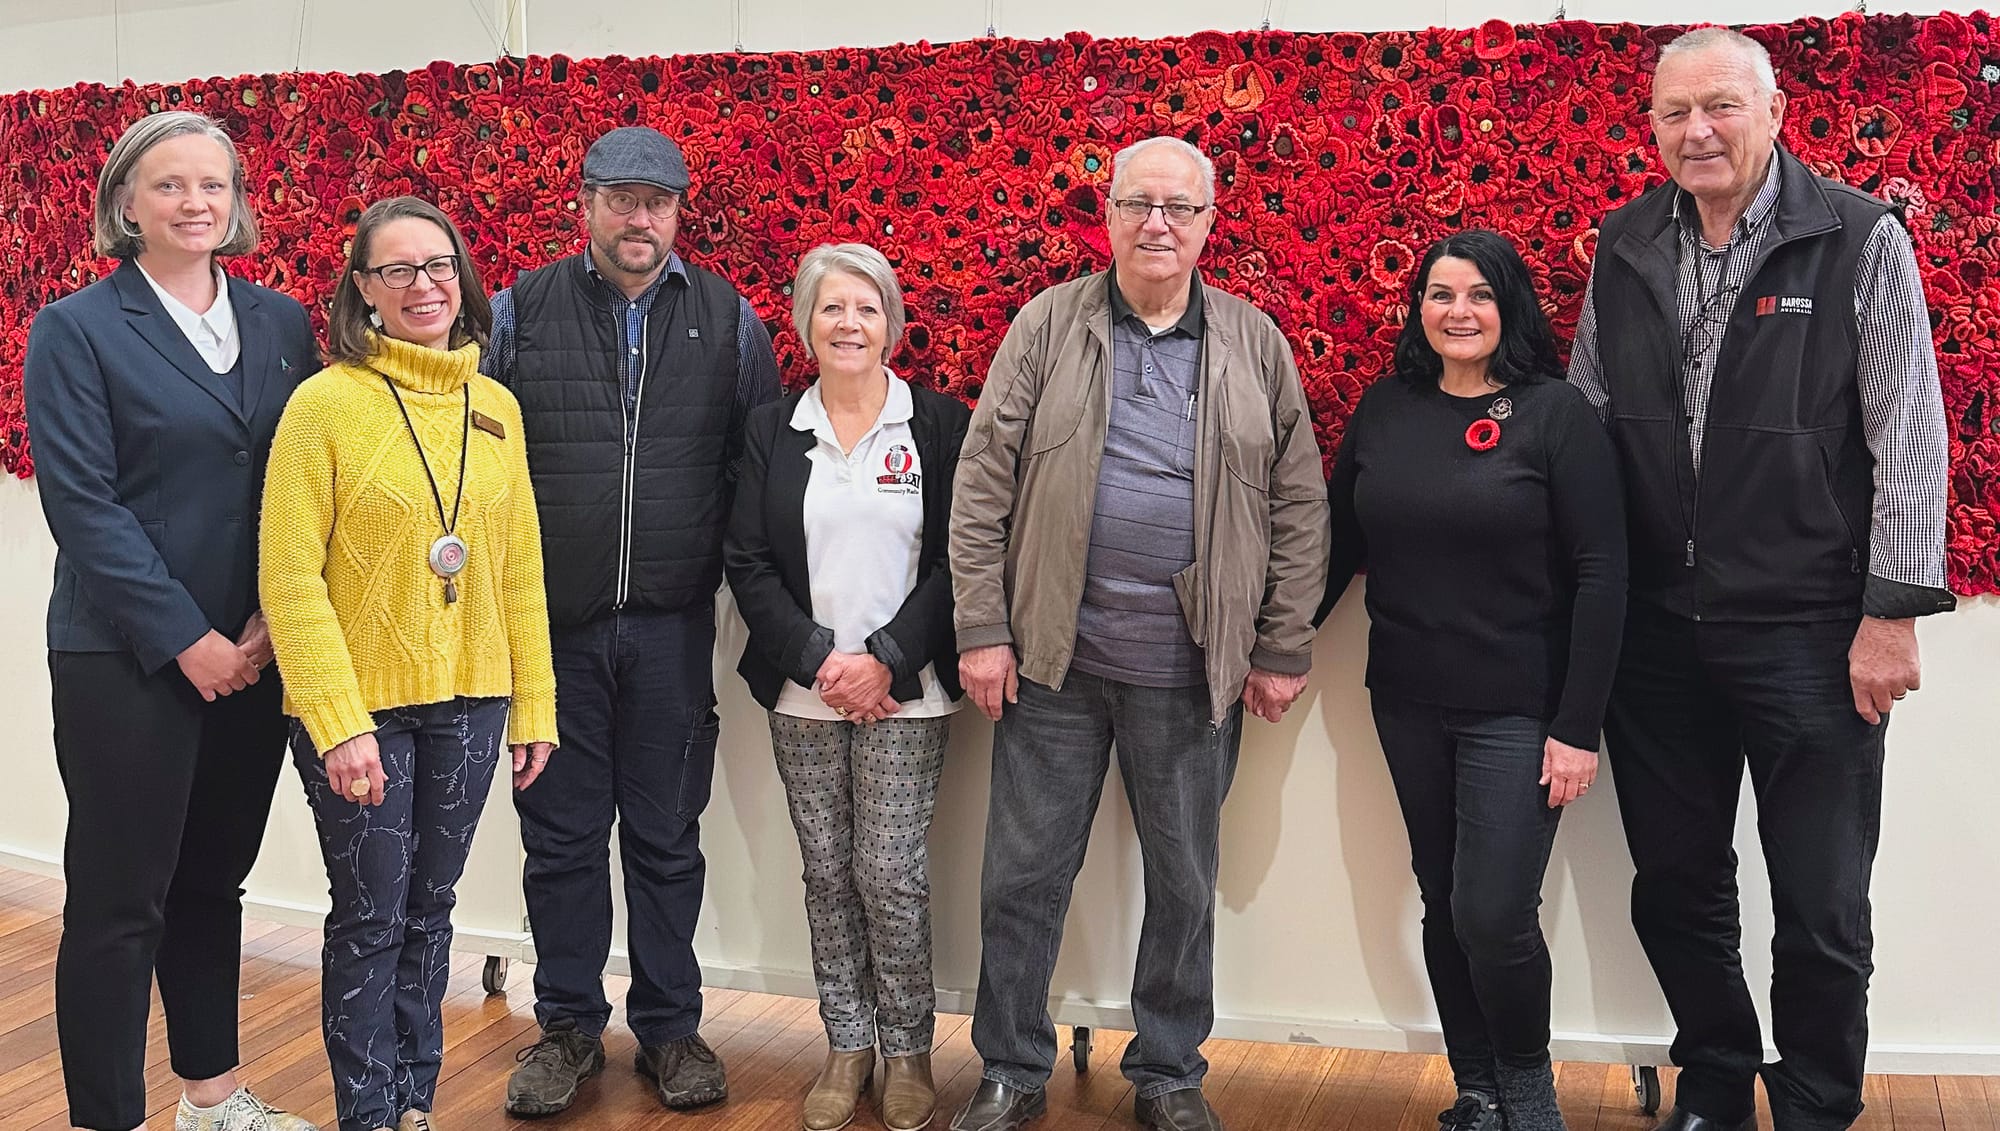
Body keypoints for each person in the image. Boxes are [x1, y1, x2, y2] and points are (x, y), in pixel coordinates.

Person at [1568, 27, 1956, 1131]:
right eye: (1672, 114)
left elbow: (1908, 437)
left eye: (1720, 108)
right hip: (1654, 634)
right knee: (1676, 888)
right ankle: (1715, 1082)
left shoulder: (1854, 236)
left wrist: (1887, 614)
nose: (1696, 132)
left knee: (1821, 906)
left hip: (1809, 631)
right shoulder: (1627, 242)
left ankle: (1818, 1103)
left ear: (1774, 111)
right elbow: (1590, 414)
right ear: (1649, 129)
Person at [946, 136, 1328, 1131]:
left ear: (1208, 223)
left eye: (1179, 208)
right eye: (1137, 204)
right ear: (1107, 216)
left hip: (1194, 672)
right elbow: (982, 482)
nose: (1156, 224)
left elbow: (1297, 501)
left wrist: (1282, 643)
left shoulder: (1251, 342)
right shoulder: (1045, 326)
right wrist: (982, 627)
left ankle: (1167, 1074)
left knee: (1184, 883)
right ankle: (1011, 1069)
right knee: (1021, 877)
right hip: (1049, 664)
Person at [21, 110, 320, 1131]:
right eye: (170, 186)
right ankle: (109, 1118)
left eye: (213, 185)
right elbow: (83, 504)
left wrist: (272, 624)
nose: (196, 203)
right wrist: (187, 638)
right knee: (117, 905)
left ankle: (211, 1095)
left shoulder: (281, 322)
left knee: (211, 885)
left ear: (237, 201)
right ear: (124, 204)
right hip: (129, 657)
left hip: (256, 650)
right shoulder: (77, 328)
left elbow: (301, 480)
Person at [487, 125, 781, 1118]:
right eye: (619, 198)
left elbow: (754, 472)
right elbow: (476, 462)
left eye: (656, 202)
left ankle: (668, 1029)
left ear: (678, 211)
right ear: (584, 205)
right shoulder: (516, 312)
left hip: (669, 628)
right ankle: (567, 1028)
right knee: (561, 839)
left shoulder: (729, 320)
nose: (637, 218)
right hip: (553, 632)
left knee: (664, 837)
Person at [259, 196, 558, 1131]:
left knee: (434, 913)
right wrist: (335, 719)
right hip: (363, 713)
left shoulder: (496, 408)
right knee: (371, 916)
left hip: (472, 700)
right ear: (364, 291)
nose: (423, 286)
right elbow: (290, 576)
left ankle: (413, 1106)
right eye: (398, 271)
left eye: (438, 266)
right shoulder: (325, 405)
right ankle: (367, 1115)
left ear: (462, 277)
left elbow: (517, 570)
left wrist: (535, 702)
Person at [1319, 231, 1626, 1131]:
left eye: (1479, 294)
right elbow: (1339, 548)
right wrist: (1275, 645)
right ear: (1418, 308)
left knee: (1494, 911)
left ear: (1511, 308)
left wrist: (1578, 725)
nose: (1458, 311)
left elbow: (1605, 572)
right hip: (1407, 699)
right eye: (1440, 293)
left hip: (1521, 709)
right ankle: (1477, 1086)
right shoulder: (1386, 410)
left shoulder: (1556, 414)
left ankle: (1529, 1093)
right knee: (1446, 898)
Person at [724, 243, 971, 1131]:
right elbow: (748, 562)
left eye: (866, 308)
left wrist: (887, 661)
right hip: (804, 693)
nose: (849, 324)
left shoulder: (937, 424)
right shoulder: (771, 428)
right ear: (804, 323)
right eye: (831, 308)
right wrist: (823, 660)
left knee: (889, 872)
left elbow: (959, 557)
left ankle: (908, 1048)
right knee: (827, 871)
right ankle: (846, 1043)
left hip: (909, 692)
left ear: (893, 322)